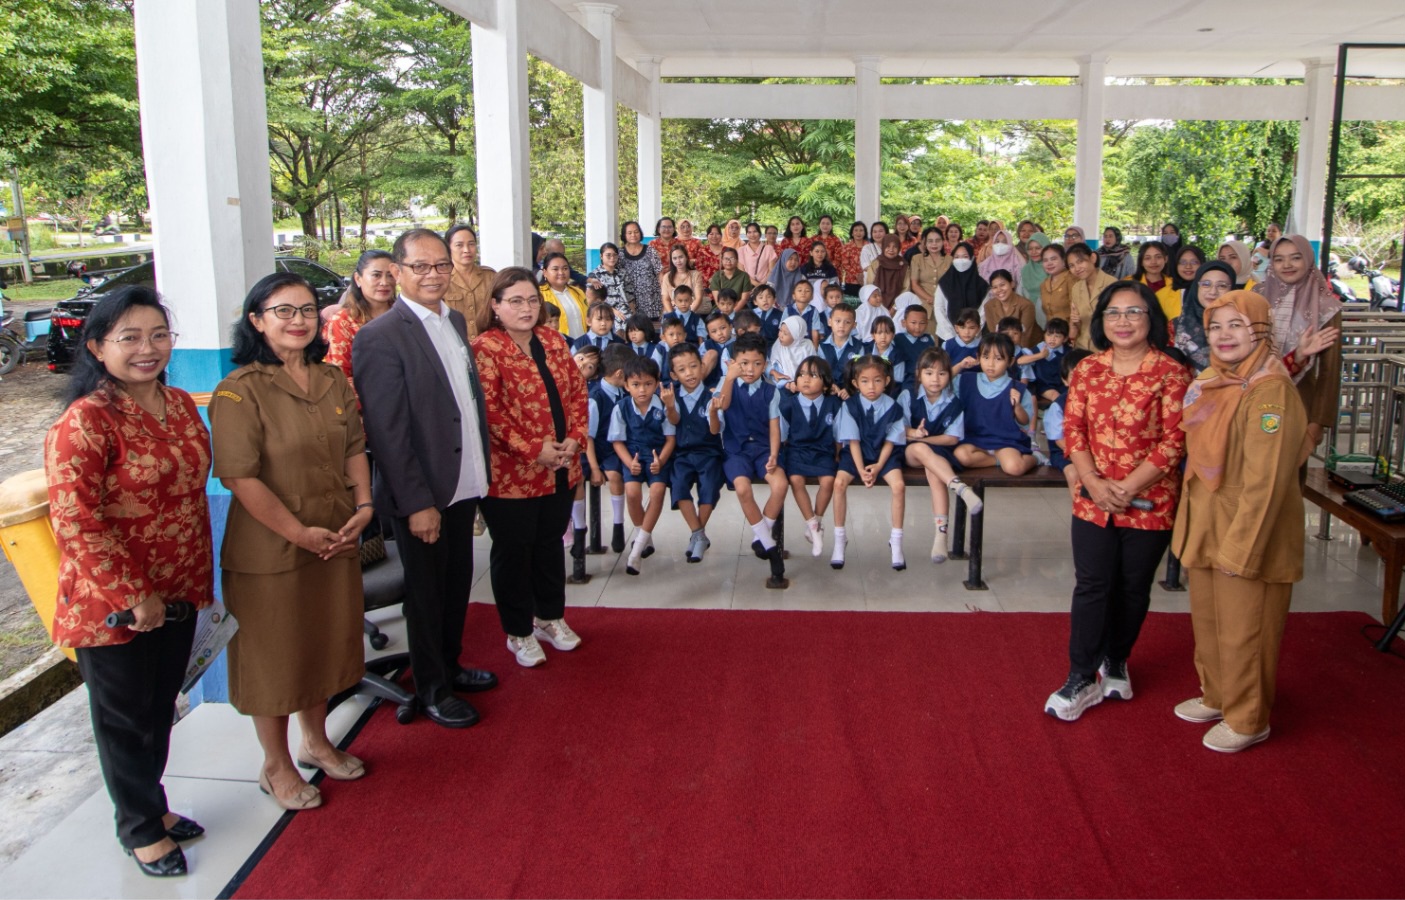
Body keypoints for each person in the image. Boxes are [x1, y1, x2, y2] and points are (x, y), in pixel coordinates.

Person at [46, 286, 213, 878]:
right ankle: (139, 829)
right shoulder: (86, 421)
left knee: (158, 707)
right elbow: (74, 520)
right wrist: (131, 594)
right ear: (96, 346)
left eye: (158, 335)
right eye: (130, 338)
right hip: (112, 603)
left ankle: (154, 805)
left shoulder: (178, 403)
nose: (148, 349)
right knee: (123, 719)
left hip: (180, 588)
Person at [211, 271, 371, 811]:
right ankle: (275, 764)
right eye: (283, 311)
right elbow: (239, 475)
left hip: (335, 532)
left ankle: (317, 742)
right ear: (256, 320)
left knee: (324, 641)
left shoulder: (332, 380)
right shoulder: (240, 390)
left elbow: (354, 448)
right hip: (272, 547)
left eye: (307, 309)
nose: (299, 320)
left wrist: (365, 505)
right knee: (275, 655)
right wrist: (298, 533)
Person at [352, 229, 496, 727]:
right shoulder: (379, 336)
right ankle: (432, 688)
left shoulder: (453, 319)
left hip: (462, 479)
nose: (433, 275)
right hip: (423, 493)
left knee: (456, 584)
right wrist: (416, 503)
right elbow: (387, 433)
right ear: (397, 272)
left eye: (440, 266)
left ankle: (450, 666)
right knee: (427, 592)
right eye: (421, 267)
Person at [1045, 281, 1192, 723]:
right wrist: (1092, 480)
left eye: (1133, 312)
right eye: (1113, 313)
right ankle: (1080, 675)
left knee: (1132, 587)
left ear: (1151, 319)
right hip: (1093, 498)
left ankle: (1117, 659)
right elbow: (1073, 431)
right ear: (1100, 321)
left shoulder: (1171, 373)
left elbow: (1174, 441)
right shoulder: (1088, 370)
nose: (1123, 321)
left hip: (1150, 500)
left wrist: (1127, 488)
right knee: (1092, 584)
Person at [1171, 290, 1307, 753]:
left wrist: (1241, 549)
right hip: (1209, 522)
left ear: (1261, 330)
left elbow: (1265, 484)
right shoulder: (1213, 379)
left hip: (1249, 534)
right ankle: (1218, 695)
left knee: (1245, 630)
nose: (1224, 335)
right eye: (1215, 326)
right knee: (1209, 624)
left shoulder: (1270, 390)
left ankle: (1249, 719)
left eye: (1236, 325)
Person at [473, 267, 589, 666]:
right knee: (514, 552)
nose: (526, 308)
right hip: (512, 474)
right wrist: (531, 449)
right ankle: (518, 631)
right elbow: (489, 412)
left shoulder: (553, 340)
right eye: (515, 301)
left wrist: (575, 437)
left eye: (532, 300)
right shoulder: (486, 348)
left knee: (548, 546)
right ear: (495, 306)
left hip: (560, 465)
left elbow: (577, 391)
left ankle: (550, 617)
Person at [1254, 234, 1343, 454]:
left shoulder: (1326, 307)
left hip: (1300, 399)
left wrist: (1318, 421)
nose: (1287, 265)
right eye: (1279, 259)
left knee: (1292, 473)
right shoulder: (1256, 296)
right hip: (1254, 395)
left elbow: (1329, 370)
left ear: (1308, 260)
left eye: (1295, 258)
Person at [714, 332, 788, 580]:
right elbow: (722, 406)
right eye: (744, 363)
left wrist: (774, 455)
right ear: (734, 363)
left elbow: (775, 427)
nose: (750, 369)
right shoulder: (728, 385)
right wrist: (729, 377)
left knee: (780, 484)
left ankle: (762, 537)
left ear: (765, 365)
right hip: (736, 451)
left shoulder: (770, 391)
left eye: (757, 364)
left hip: (764, 450)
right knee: (743, 488)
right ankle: (770, 546)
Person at [903, 347, 983, 564]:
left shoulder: (954, 402)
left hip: (938, 454)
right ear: (919, 374)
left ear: (950, 374)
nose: (935, 379)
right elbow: (898, 428)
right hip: (909, 452)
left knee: (934, 471)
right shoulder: (908, 394)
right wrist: (914, 434)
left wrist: (923, 439)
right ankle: (960, 488)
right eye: (929, 373)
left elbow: (952, 439)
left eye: (941, 373)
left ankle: (941, 535)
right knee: (920, 451)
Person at [831, 354, 908, 570]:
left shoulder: (894, 407)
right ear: (855, 384)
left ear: (886, 381)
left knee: (899, 486)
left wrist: (878, 467)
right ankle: (839, 539)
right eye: (864, 381)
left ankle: (897, 540)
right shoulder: (850, 406)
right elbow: (852, 441)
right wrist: (861, 471)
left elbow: (891, 442)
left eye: (877, 380)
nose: (871, 386)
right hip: (856, 454)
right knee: (839, 484)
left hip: (884, 455)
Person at [608, 355, 674, 574]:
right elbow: (617, 441)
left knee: (657, 492)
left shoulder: (663, 406)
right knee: (632, 493)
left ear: (657, 383)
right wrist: (629, 463)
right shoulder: (621, 407)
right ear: (626, 385)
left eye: (648, 384)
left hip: (657, 456)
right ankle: (645, 537)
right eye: (636, 385)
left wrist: (661, 460)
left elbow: (670, 439)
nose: (642, 390)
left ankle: (636, 550)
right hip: (633, 457)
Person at [663, 342, 725, 563]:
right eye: (682, 369)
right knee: (678, 485)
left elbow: (715, 430)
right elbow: (675, 420)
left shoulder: (712, 396)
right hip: (682, 453)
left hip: (709, 453)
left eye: (693, 366)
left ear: (702, 367)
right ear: (674, 374)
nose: (689, 373)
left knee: (709, 485)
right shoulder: (672, 396)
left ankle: (697, 535)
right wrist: (669, 406)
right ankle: (698, 534)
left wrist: (715, 412)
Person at [953, 332, 1037, 476]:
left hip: (1006, 441)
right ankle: (997, 460)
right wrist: (960, 366)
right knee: (961, 456)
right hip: (974, 440)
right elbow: (942, 382)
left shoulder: (1018, 388)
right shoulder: (965, 380)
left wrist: (1017, 407)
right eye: (986, 357)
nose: (991, 364)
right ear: (978, 358)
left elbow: (1025, 422)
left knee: (1014, 468)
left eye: (998, 359)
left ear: (1010, 362)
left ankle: (1035, 458)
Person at [323, 249, 395, 390]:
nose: (384, 282)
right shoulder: (342, 322)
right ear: (358, 279)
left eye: (390, 276)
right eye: (376, 275)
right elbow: (339, 377)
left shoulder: (406, 316)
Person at [587, 344, 634, 552]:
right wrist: (595, 468)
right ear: (619, 374)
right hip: (602, 450)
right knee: (614, 475)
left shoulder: (624, 393)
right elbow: (588, 437)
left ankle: (621, 524)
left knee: (625, 474)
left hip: (622, 447)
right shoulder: (595, 398)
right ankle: (617, 526)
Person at [1043, 347, 1094, 499]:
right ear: (1065, 380)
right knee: (1074, 473)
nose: (1082, 381)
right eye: (1075, 376)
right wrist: (1084, 457)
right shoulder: (1058, 405)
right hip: (1065, 453)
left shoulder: (1099, 402)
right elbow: (1059, 440)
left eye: (1087, 375)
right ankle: (1079, 507)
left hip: (1094, 451)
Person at [1174, 260, 1236, 372]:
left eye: (1222, 286)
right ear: (1196, 287)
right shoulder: (1173, 327)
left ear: (1232, 290)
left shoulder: (1241, 326)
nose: (1213, 292)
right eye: (1206, 284)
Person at [443, 225, 497, 339]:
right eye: (459, 245)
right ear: (448, 248)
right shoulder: (443, 279)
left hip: (488, 344)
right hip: (456, 343)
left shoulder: (490, 276)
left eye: (471, 244)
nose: (467, 250)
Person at [933, 242, 986, 341]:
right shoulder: (945, 282)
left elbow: (983, 312)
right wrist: (950, 335)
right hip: (947, 337)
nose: (960, 260)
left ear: (972, 258)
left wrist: (970, 331)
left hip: (974, 338)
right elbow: (939, 308)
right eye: (956, 257)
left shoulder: (982, 285)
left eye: (965, 256)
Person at [1066, 243, 1116, 351]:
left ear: (1093, 258)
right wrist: (1075, 321)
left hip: (1106, 347)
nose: (1077, 268)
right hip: (1082, 346)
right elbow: (1077, 322)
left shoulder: (1111, 284)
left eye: (1080, 262)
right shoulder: (1076, 288)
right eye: (1072, 265)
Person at [619, 221, 664, 319]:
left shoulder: (650, 251)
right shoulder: (619, 254)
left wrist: (664, 298)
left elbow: (660, 275)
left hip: (651, 301)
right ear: (624, 235)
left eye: (636, 232)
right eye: (629, 233)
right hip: (629, 302)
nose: (633, 235)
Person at [539, 252, 589, 339]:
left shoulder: (578, 292)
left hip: (582, 346)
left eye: (565, 268)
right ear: (545, 272)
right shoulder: (539, 295)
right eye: (555, 269)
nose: (561, 272)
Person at [982, 269, 1039, 340]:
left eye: (1002, 285)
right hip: (1001, 347)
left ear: (1012, 284)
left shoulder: (1026, 305)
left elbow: (1025, 337)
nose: (999, 290)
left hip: (1027, 348)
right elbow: (994, 334)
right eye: (995, 287)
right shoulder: (988, 306)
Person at [586, 242, 632, 325]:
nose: (612, 258)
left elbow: (630, 295)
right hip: (606, 317)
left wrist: (633, 313)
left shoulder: (622, 273)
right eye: (608, 255)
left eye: (615, 255)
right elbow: (592, 301)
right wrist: (612, 310)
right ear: (601, 256)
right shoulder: (594, 276)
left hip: (626, 316)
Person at [909, 227, 949, 319]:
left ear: (943, 242)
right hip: (923, 305)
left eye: (937, 240)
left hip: (944, 305)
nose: (934, 244)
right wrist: (930, 298)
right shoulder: (917, 259)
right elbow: (914, 285)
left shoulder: (949, 260)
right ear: (925, 243)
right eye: (930, 241)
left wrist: (939, 301)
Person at [1134, 241, 1181, 318]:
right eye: (1147, 258)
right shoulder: (1129, 283)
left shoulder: (1175, 286)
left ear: (1165, 259)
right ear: (1141, 262)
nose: (1153, 262)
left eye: (1158, 257)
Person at [768, 315, 816, 389]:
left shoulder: (807, 345)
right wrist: (787, 384)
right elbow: (775, 369)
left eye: (785, 333)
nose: (780, 335)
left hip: (807, 385)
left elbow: (814, 367)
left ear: (796, 336)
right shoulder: (778, 345)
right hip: (784, 387)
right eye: (780, 331)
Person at [977, 227, 1023, 296]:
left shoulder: (1017, 263)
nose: (1000, 244)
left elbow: (1021, 287)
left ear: (1010, 244)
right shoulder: (984, 265)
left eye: (1004, 242)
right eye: (997, 241)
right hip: (990, 302)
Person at [661, 244, 704, 316]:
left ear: (686, 257)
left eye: (681, 257)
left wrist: (687, 315)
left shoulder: (696, 275)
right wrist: (673, 316)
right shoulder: (667, 276)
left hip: (691, 312)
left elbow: (698, 298)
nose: (678, 261)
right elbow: (666, 300)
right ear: (671, 260)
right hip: (672, 314)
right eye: (675, 258)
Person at [1038, 243, 1073, 327]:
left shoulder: (1071, 279)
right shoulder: (1044, 284)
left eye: (1053, 259)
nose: (1049, 263)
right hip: (1053, 332)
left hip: (1071, 331)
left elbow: (1077, 310)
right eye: (1045, 260)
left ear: (1064, 260)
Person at [839, 222, 869, 297]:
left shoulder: (869, 246)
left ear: (864, 233)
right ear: (852, 233)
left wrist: (863, 276)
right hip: (851, 281)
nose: (858, 233)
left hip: (867, 280)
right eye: (856, 230)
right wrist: (857, 275)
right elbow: (845, 264)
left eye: (861, 230)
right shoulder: (847, 247)